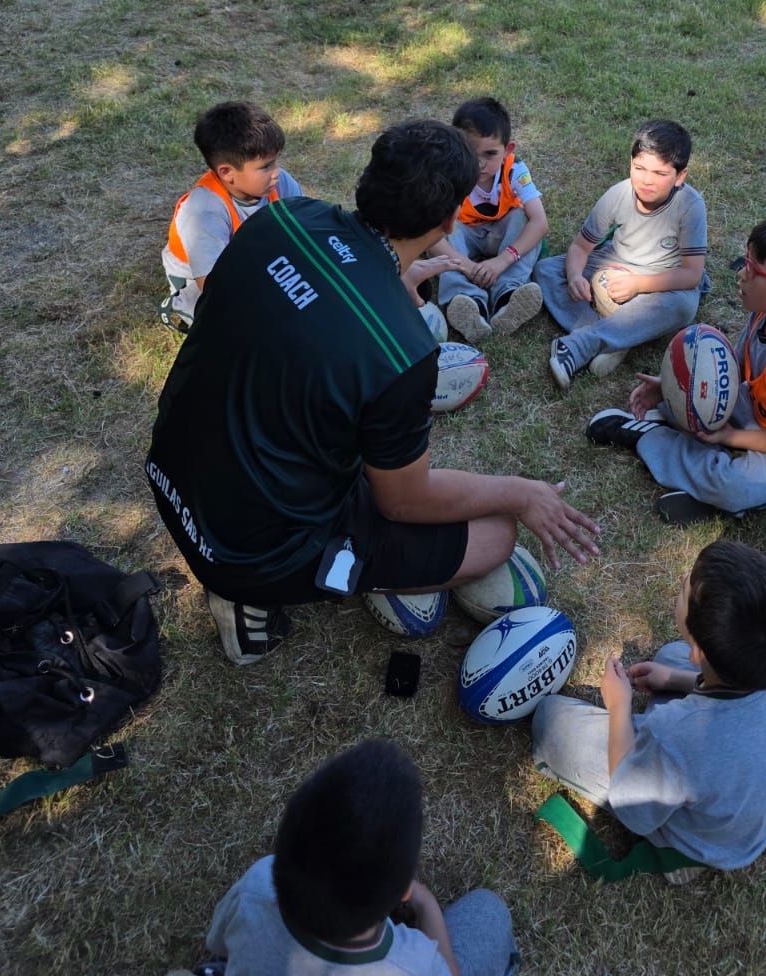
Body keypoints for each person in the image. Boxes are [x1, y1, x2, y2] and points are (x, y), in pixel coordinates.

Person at [146, 120, 599, 666]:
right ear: (449, 219)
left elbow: (279, 315)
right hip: (244, 549)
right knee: (496, 536)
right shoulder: (402, 349)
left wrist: (387, 283)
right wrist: (523, 493)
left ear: (368, 179)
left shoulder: (282, 218)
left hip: (171, 468)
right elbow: (405, 500)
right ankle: (248, 600)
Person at [531, 541, 766, 872]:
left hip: (710, 838)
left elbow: (633, 808)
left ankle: (685, 856)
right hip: (752, 781)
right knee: (670, 656)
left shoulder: (677, 732)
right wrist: (674, 680)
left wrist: (619, 706)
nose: (685, 577)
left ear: (698, 650)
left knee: (548, 720)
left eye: (688, 588)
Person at [587, 214, 766, 526]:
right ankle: (706, 487)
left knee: (732, 486)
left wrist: (732, 437)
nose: (742, 275)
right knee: (699, 402)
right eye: (746, 262)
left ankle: (651, 439)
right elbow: (735, 370)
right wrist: (671, 385)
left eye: (754, 270)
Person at [200, 739, 518, 976]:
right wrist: (425, 903)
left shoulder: (256, 886)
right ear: (400, 893)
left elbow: (219, 945)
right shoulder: (411, 964)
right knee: (489, 911)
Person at [536, 119, 707, 390]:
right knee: (546, 269)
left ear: (680, 176)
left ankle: (580, 344)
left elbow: (692, 274)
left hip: (663, 279)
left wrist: (639, 284)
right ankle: (617, 336)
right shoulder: (618, 194)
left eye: (660, 174)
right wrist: (574, 276)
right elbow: (580, 247)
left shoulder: (691, 205)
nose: (647, 181)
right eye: (639, 168)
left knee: (684, 306)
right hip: (615, 261)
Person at [160, 100, 303, 331]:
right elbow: (214, 286)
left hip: (256, 261)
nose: (277, 173)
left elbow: (304, 230)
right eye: (266, 166)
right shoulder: (203, 211)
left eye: (276, 161)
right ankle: (181, 306)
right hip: (200, 283)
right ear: (227, 173)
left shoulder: (280, 182)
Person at [427, 97, 548, 344]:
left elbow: (540, 222)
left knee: (525, 220)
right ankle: (468, 301)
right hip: (463, 236)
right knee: (442, 228)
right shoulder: (448, 174)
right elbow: (430, 237)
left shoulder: (515, 170)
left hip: (503, 236)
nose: (480, 163)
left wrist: (503, 260)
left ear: (508, 150)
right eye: (470, 153)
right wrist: (468, 267)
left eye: (490, 154)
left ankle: (508, 295)